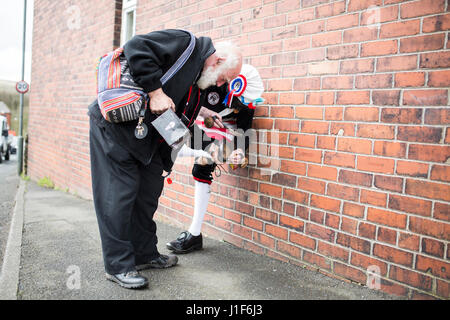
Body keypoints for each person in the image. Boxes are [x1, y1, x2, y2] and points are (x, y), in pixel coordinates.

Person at [88, 29, 242, 289]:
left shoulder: (197, 81)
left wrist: (208, 132)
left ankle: (144, 254)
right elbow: (136, 46)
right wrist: (155, 92)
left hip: (146, 139)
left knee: (148, 193)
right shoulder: (187, 44)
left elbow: (177, 125)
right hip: (117, 129)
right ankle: (118, 266)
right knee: (118, 196)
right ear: (217, 61)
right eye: (223, 79)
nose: (220, 85)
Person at [166, 64, 264, 254]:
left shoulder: (246, 99)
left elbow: (244, 127)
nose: (239, 108)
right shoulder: (211, 82)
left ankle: (194, 234)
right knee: (173, 142)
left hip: (221, 133)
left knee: (202, 165)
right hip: (193, 123)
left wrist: (240, 151)